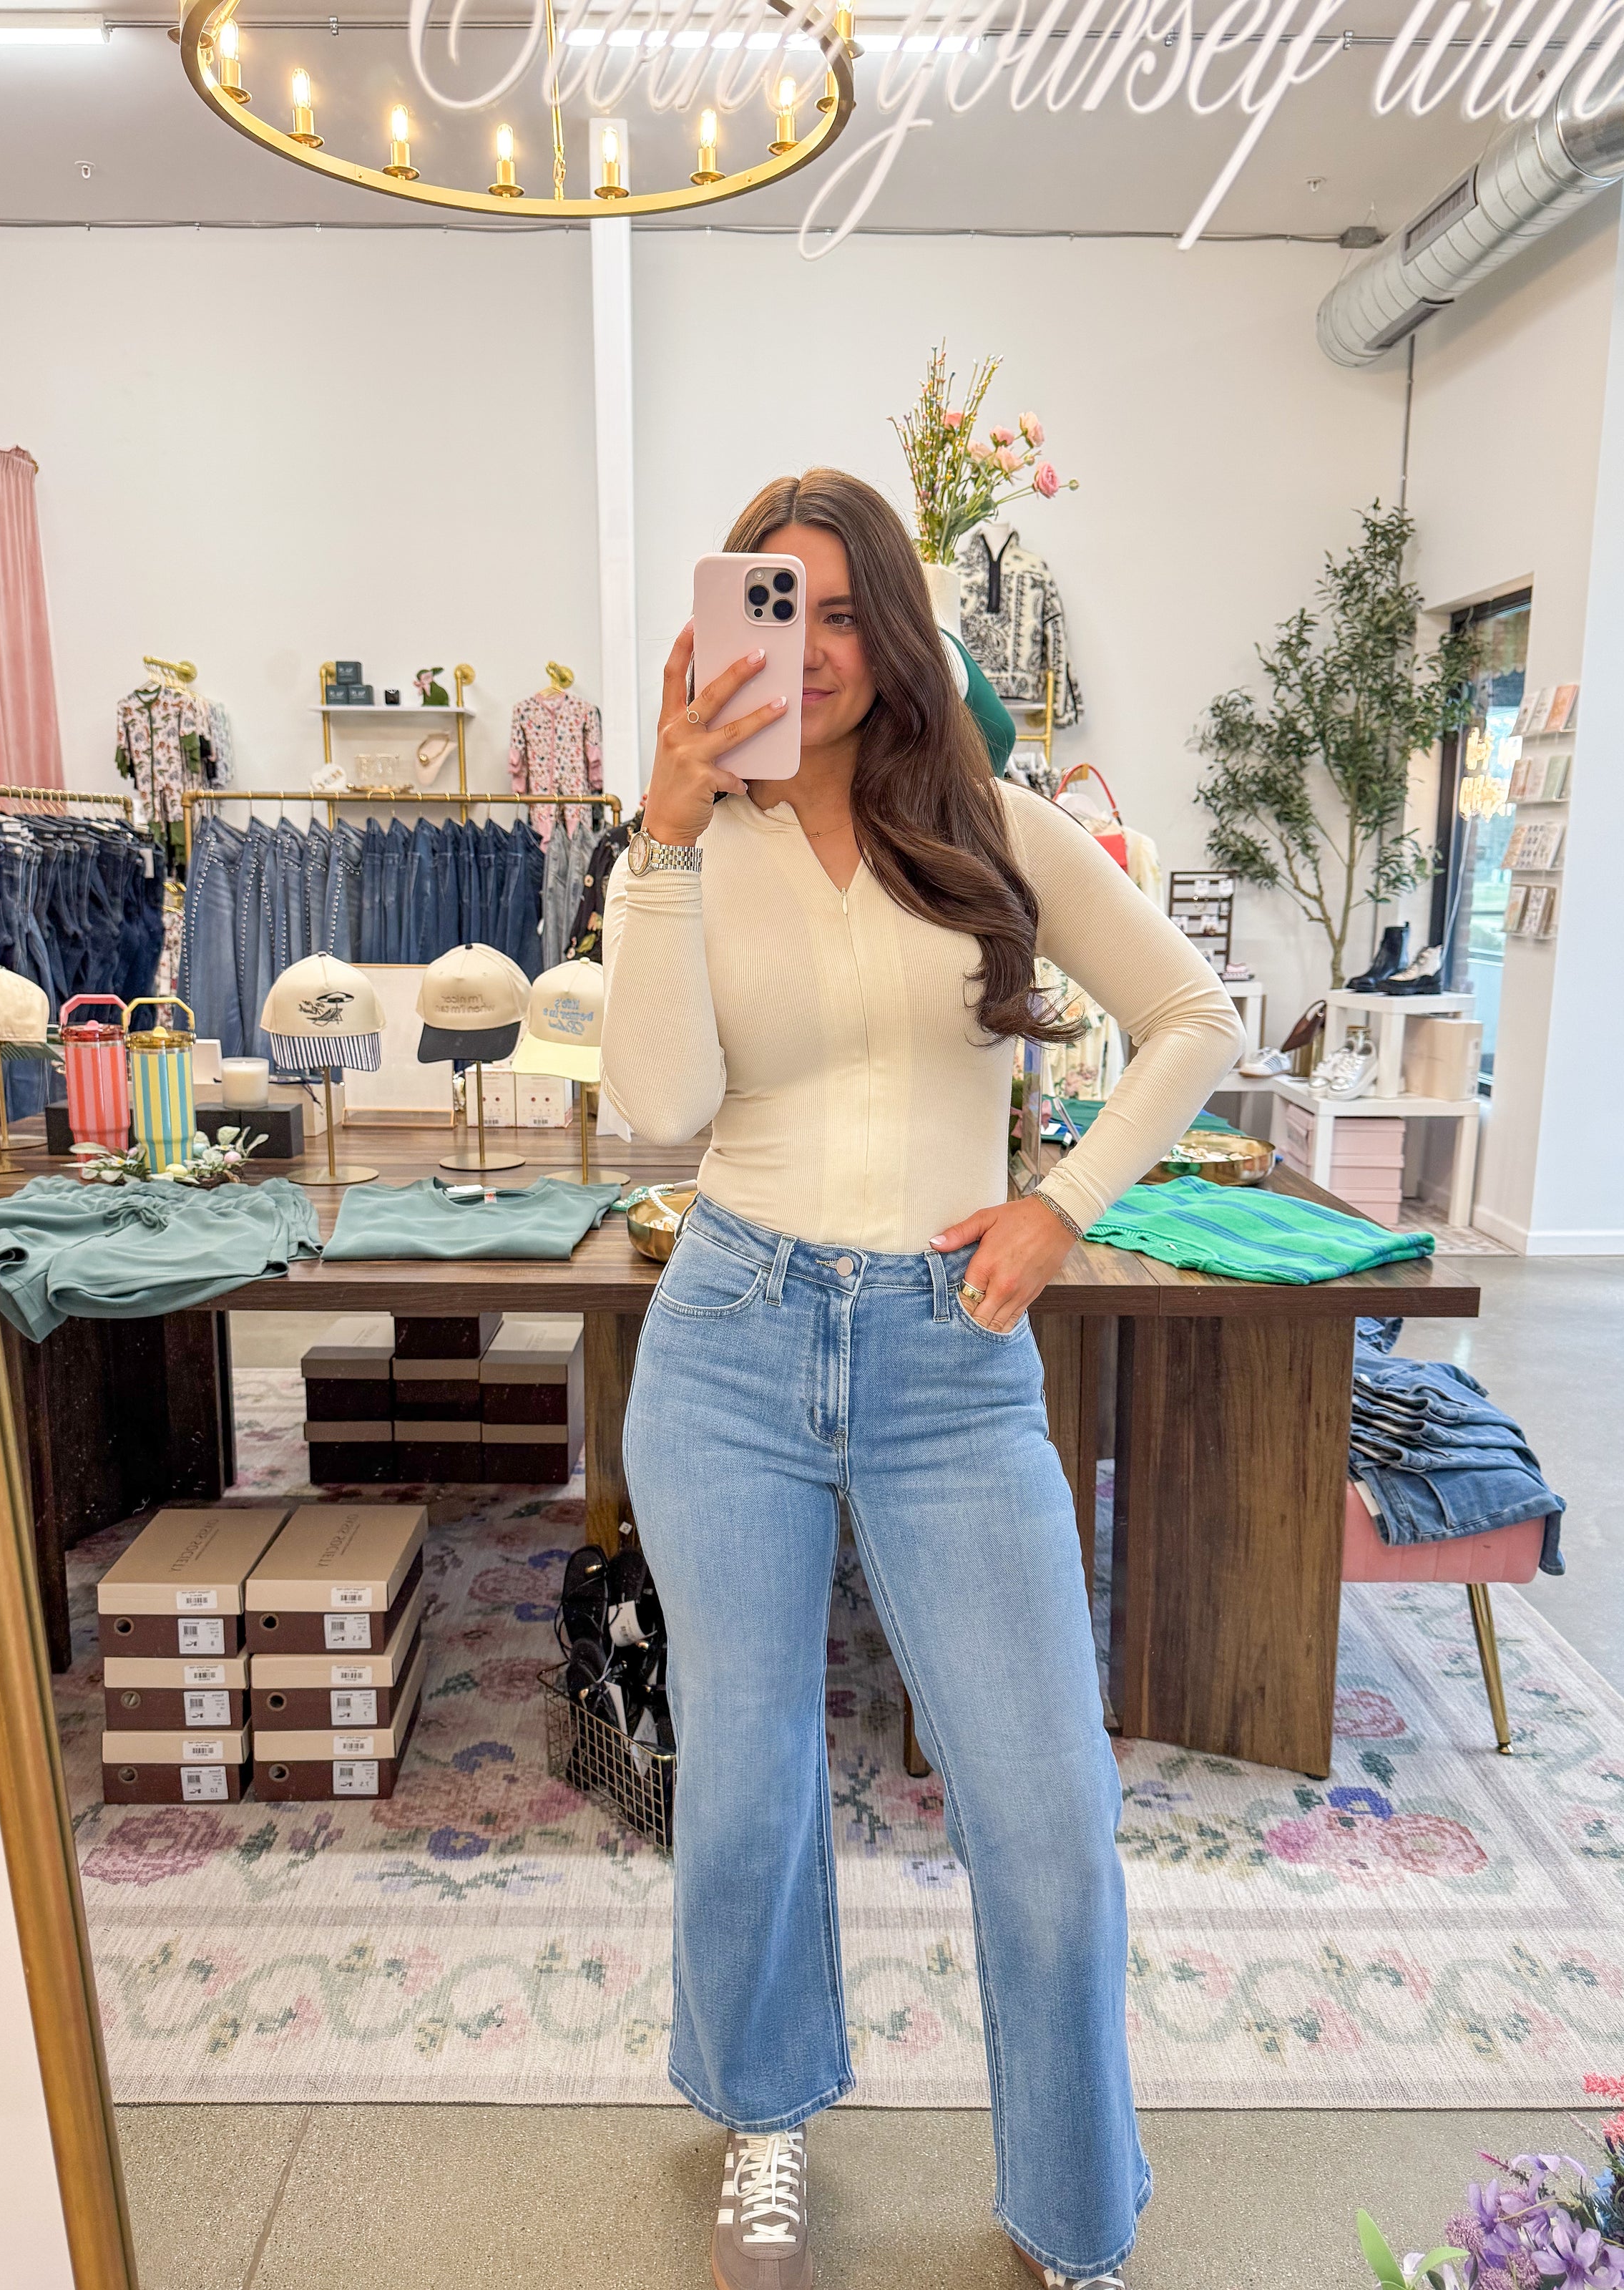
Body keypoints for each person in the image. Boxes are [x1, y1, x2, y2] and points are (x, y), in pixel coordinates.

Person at [600, 468, 1244, 2290]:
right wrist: (660, 833)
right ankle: (765, 2116)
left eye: (838, 610)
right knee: (746, 1784)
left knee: (1045, 1807)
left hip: (950, 1361)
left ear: (893, 632)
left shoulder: (995, 826)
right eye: (769, 607)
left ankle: (1074, 2208)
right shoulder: (689, 851)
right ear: (720, 631)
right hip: (729, 1346)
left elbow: (1194, 1017)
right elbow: (654, 1108)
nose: (804, 650)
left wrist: (1060, 1207)